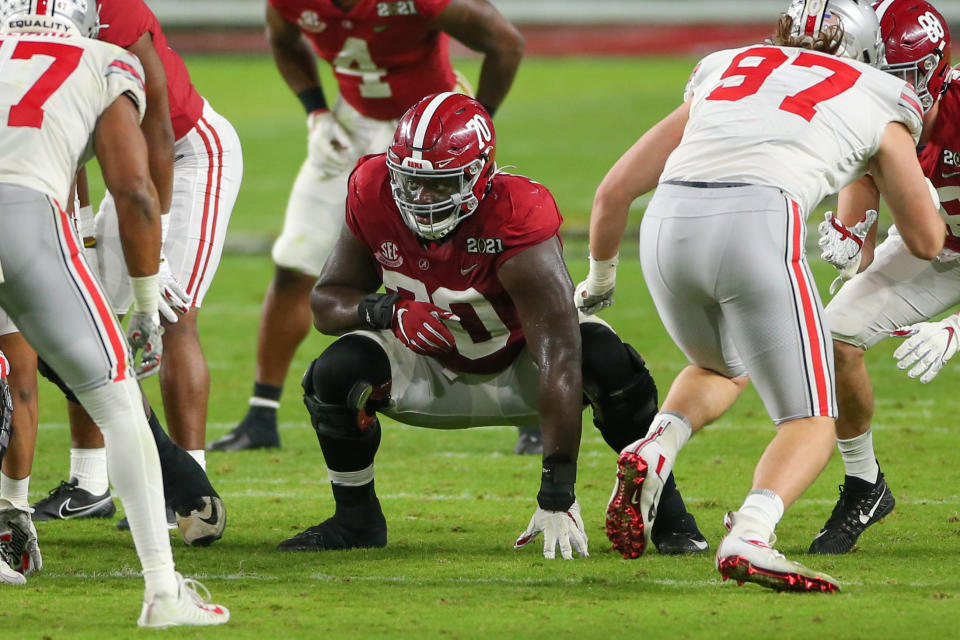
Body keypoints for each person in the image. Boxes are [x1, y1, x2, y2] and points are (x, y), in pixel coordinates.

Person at [581, 0, 944, 591]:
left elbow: (613, 191)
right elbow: (928, 241)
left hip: (666, 224)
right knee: (810, 420)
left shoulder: (726, 64)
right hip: (758, 223)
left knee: (721, 367)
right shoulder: (878, 91)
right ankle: (751, 534)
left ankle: (657, 445)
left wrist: (598, 280)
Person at [279, 92, 708, 557]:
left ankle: (671, 517)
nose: (420, 198)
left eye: (440, 185)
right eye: (410, 181)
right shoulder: (373, 189)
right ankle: (356, 519)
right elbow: (327, 300)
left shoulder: (516, 213)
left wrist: (557, 493)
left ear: (478, 175)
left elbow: (560, 355)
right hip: (430, 369)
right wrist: (387, 311)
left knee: (606, 360)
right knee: (333, 373)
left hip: (522, 369)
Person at [209, 0, 525, 452]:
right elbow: (283, 40)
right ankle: (261, 414)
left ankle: (529, 412)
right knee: (293, 263)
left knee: (483, 269)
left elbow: (507, 43)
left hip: (432, 141)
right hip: (351, 123)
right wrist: (315, 110)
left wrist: (477, 119)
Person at [0, 0, 228, 624]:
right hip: (23, 219)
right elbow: (132, 189)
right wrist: (148, 302)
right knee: (119, 401)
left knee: (10, 373)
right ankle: (162, 591)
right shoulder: (103, 60)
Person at [809, 0, 955, 554]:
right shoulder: (877, 112)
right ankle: (866, 484)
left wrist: (957, 328)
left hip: (944, 247)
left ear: (931, 70)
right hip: (933, 250)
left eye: (894, 77)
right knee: (835, 334)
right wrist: (852, 241)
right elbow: (868, 174)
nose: (882, 91)